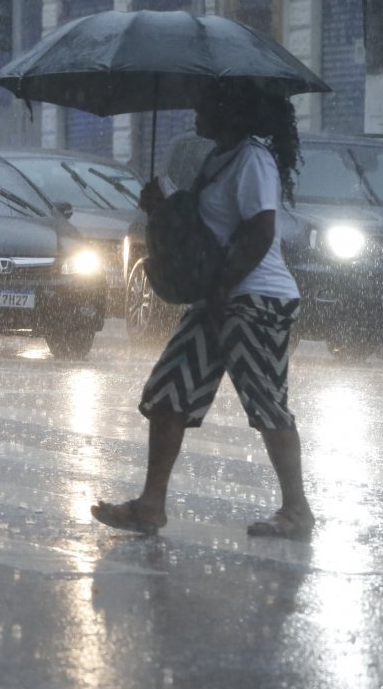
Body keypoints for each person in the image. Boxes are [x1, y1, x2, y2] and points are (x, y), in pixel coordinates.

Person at [92, 80, 313, 539]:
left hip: (254, 300)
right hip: (217, 297)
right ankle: (150, 506)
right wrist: (162, 206)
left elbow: (260, 230)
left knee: (266, 401)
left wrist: (222, 292)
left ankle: (297, 511)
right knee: (169, 392)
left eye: (207, 102)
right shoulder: (219, 160)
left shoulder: (253, 159)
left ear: (232, 111)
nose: (197, 108)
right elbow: (203, 228)